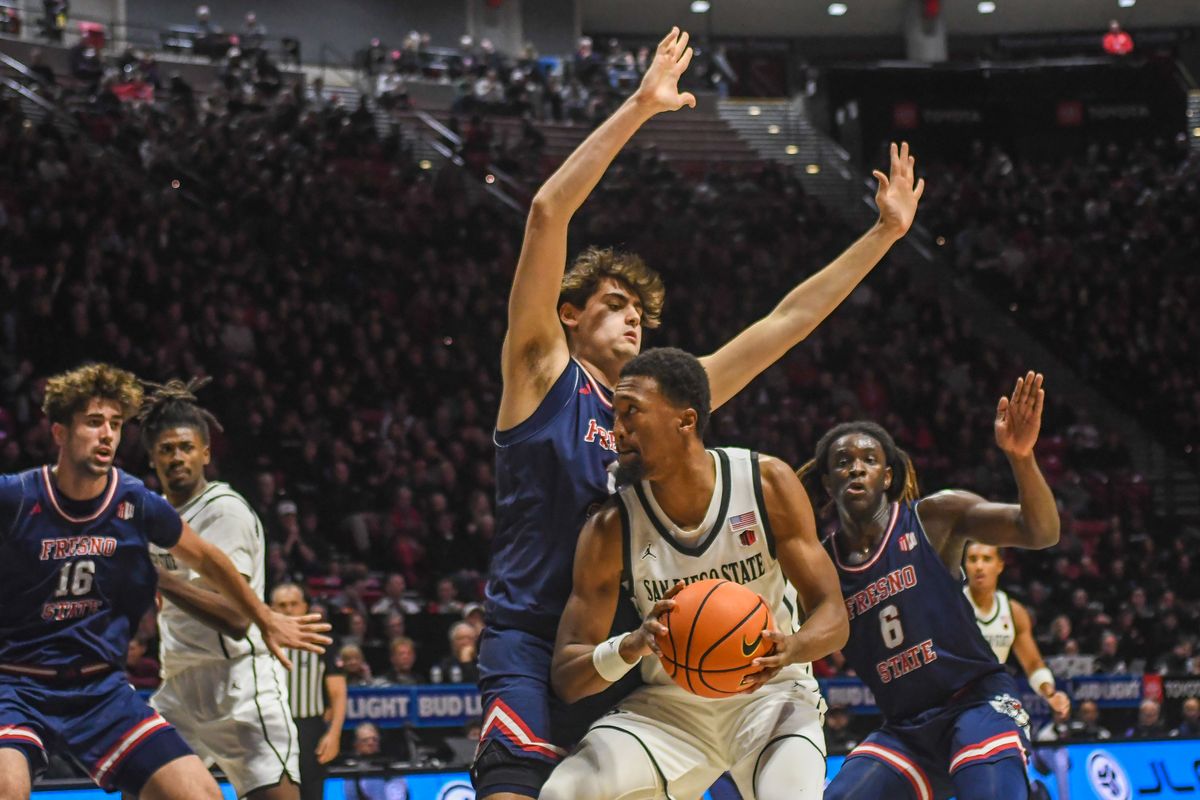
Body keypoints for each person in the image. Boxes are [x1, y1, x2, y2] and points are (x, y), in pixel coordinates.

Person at [477, 22, 925, 799]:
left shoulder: (661, 402)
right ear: (570, 314)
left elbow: (784, 323)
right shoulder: (539, 372)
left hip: (642, 643)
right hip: (533, 634)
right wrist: (643, 107)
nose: (633, 320)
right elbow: (548, 212)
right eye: (615, 306)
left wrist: (883, 236)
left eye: (641, 313)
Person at [0, 363, 325, 800]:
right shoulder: (17, 496)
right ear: (59, 432)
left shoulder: (135, 500)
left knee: (201, 795)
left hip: (100, 690)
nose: (108, 435)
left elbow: (209, 559)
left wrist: (263, 615)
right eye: (95, 423)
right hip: (18, 682)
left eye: (115, 425)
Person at [541, 348, 848, 800]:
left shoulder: (766, 483)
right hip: (670, 709)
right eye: (614, 416)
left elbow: (834, 616)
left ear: (685, 421)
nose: (617, 431)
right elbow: (567, 677)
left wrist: (793, 646)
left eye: (631, 414)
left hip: (771, 696)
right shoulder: (611, 528)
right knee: (563, 794)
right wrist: (631, 645)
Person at [803, 372, 1060, 800]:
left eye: (869, 459)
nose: (856, 468)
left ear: (888, 476)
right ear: (828, 483)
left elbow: (1041, 531)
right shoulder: (819, 565)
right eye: (843, 462)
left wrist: (1022, 457)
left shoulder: (934, 518)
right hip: (906, 729)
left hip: (977, 705)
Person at [141, 378, 311, 800]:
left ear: (205, 453)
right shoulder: (153, 515)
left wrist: (155, 576)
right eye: (166, 449)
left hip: (239, 685)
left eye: (185, 447)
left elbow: (235, 618)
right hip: (178, 683)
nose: (176, 457)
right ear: (152, 459)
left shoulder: (224, 511)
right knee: (142, 786)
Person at [963, 542, 1070, 719]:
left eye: (987, 559)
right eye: (973, 559)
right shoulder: (953, 606)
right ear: (964, 565)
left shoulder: (1014, 611)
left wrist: (1050, 693)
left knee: (1021, 726)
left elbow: (1033, 664)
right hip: (957, 697)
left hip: (992, 694)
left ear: (1000, 565)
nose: (979, 566)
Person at [271, 583, 348, 800]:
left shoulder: (322, 639)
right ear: (271, 608)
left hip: (309, 727)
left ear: (305, 606)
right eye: (282, 605)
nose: (288, 610)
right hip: (269, 727)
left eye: (294, 604)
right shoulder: (260, 639)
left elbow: (338, 693)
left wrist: (333, 734)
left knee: (311, 792)